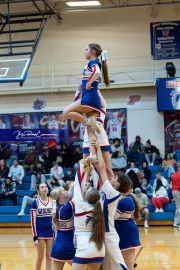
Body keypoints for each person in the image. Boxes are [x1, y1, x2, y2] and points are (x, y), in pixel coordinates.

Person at [63, 43, 110, 161]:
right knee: (90, 133)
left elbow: (97, 72)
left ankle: (88, 121)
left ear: (93, 51)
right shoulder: (92, 63)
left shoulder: (92, 63)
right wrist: (79, 90)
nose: (84, 52)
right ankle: (93, 155)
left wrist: (88, 83)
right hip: (93, 100)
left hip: (90, 98)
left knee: (65, 112)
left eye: (86, 50)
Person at [92, 139, 128, 270]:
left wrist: (98, 148)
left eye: (113, 179)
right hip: (102, 233)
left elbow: (103, 169)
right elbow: (100, 171)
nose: (111, 178)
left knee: (120, 266)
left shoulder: (113, 193)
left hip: (109, 235)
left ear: (116, 185)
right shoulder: (108, 190)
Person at [72, 161, 105, 270]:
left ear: (86, 198)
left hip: (84, 247)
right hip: (100, 249)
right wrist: (92, 169)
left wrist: (83, 167)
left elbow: (77, 183)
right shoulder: (100, 205)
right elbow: (99, 185)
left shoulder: (80, 205)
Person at [81, 89, 112, 178]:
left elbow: (98, 94)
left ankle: (114, 190)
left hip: (100, 133)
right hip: (88, 134)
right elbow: (78, 104)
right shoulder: (85, 108)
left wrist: (93, 87)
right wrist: (79, 92)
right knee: (85, 166)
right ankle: (85, 190)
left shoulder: (102, 105)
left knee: (107, 167)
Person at [114, 175, 141, 270]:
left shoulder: (125, 201)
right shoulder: (124, 198)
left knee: (128, 266)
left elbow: (112, 217)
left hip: (126, 234)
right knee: (132, 264)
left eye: (114, 178)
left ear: (118, 184)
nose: (111, 180)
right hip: (124, 232)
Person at [50, 186, 75, 269]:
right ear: (60, 196)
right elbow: (77, 196)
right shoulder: (66, 209)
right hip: (67, 246)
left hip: (58, 246)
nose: (67, 190)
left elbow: (71, 191)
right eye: (64, 190)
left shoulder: (58, 207)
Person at [30, 183, 53, 270]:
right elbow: (33, 221)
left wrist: (55, 232)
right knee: (40, 257)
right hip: (40, 233)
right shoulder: (35, 202)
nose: (45, 188)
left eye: (46, 187)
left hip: (50, 232)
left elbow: (55, 219)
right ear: (38, 191)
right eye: (42, 187)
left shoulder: (52, 201)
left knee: (49, 256)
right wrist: (34, 237)